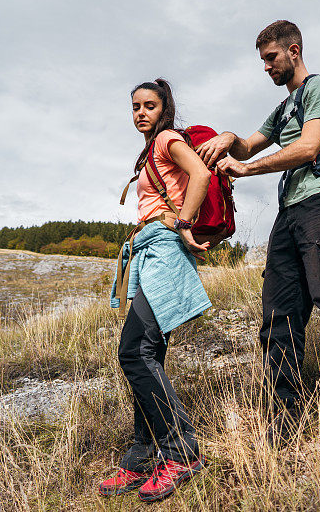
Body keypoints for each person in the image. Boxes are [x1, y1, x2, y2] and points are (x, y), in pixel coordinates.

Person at [197, 20, 320, 442]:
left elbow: (308, 147)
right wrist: (230, 138)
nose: (266, 67)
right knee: (278, 314)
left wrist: (246, 169)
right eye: (262, 60)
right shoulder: (283, 108)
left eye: (271, 58)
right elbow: (248, 144)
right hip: (289, 214)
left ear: (294, 51)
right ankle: (285, 419)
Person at [99, 79, 210, 502]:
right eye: (134, 107)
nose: (140, 113)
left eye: (148, 105)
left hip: (164, 249)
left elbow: (199, 173)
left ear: (163, 109)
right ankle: (144, 454)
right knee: (149, 353)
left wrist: (182, 223)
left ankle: (181, 451)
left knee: (134, 351)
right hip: (149, 250)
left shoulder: (165, 139)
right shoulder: (150, 151)